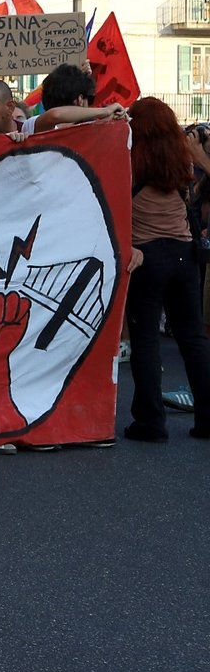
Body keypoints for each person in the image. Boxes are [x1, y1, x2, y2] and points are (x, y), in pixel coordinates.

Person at [121, 99, 210, 444]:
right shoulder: (181, 158)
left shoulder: (129, 160)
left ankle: (150, 423)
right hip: (183, 255)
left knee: (146, 340)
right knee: (193, 338)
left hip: (146, 255)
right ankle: (207, 418)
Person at [32, 63, 129, 133]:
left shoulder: (35, 127)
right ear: (80, 100)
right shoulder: (34, 125)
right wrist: (105, 111)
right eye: (89, 99)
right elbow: (55, 115)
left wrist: (117, 120)